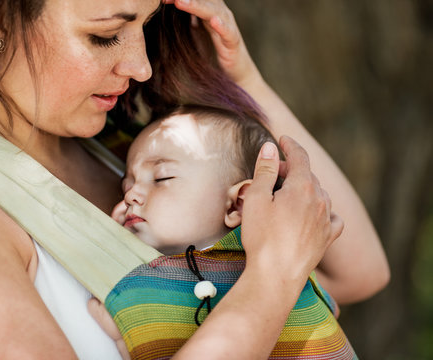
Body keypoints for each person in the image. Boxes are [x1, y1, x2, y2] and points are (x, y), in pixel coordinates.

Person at [0, 1, 388, 359]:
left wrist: (243, 84)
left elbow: (356, 274)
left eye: (147, 26)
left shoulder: (122, 156)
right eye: (106, 34)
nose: (141, 66)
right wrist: (272, 279)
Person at [87, 104, 357, 359]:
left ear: (238, 204)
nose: (132, 194)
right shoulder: (141, 288)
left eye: (162, 178)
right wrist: (126, 337)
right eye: (126, 186)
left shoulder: (287, 257)